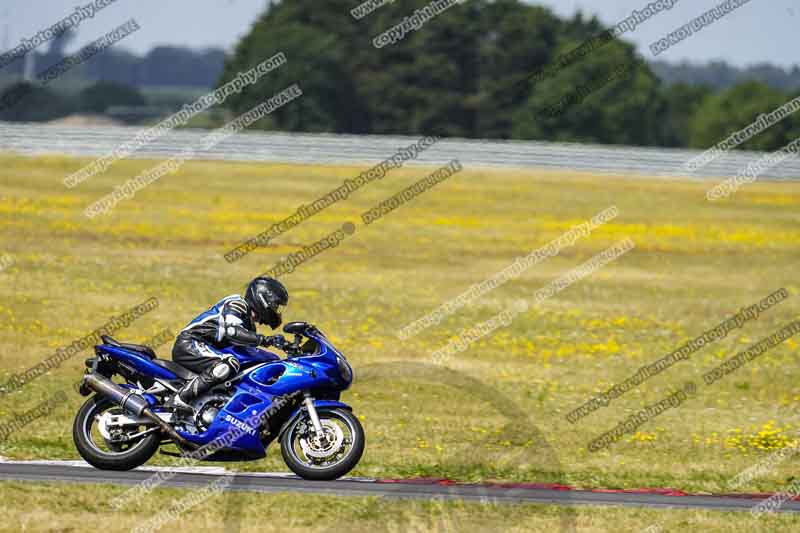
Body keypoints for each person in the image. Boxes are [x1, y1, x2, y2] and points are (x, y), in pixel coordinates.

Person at [169, 277, 289, 412]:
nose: (276, 310)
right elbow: (232, 332)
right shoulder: (237, 304)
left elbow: (249, 352)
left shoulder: (248, 324)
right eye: (275, 305)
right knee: (229, 363)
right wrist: (266, 340)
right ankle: (181, 397)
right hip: (191, 343)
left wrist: (275, 359)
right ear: (263, 299)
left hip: (204, 347)